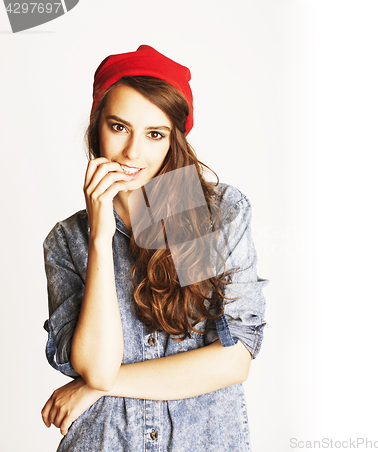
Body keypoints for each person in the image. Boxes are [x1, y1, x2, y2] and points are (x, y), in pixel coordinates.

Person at [40, 44, 269, 452]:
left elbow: (234, 360)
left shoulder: (216, 216)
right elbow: (96, 367)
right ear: (97, 128)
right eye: (119, 127)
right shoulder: (67, 241)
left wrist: (97, 389)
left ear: (172, 139)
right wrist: (99, 235)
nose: (132, 152)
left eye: (154, 134)